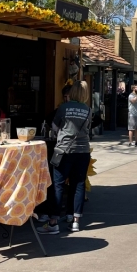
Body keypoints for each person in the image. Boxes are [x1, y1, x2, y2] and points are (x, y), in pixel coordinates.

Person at [38, 81, 93, 234]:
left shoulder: (63, 108)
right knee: (79, 184)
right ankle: (75, 221)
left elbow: (54, 128)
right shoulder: (88, 110)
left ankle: (53, 222)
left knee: (58, 185)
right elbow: (88, 130)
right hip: (83, 152)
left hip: (64, 151)